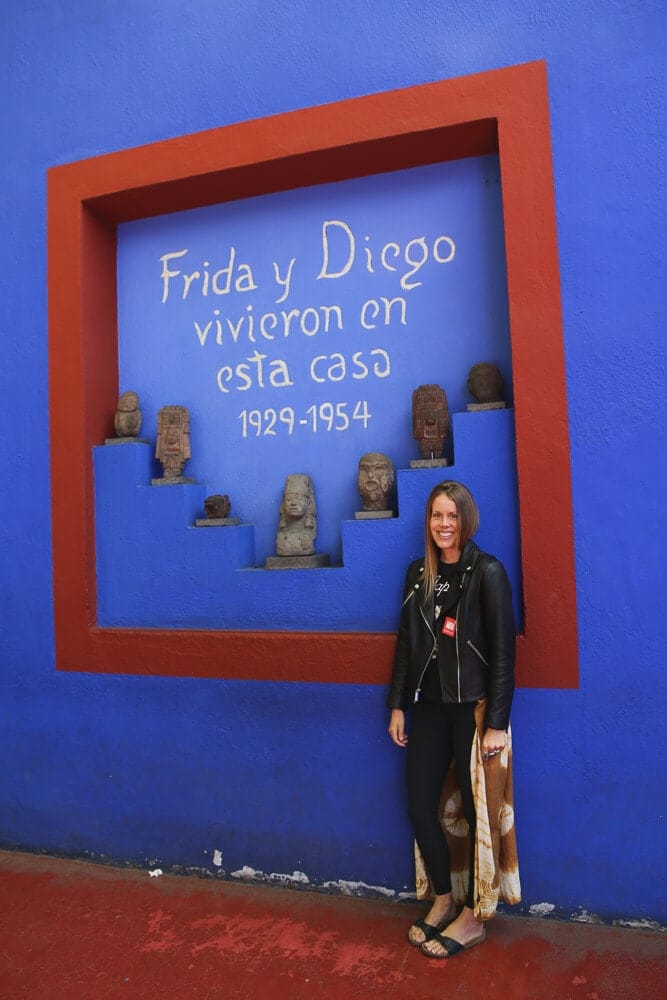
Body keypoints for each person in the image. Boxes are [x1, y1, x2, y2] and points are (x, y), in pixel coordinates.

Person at [387, 480, 516, 959]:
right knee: (420, 806)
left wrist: (496, 722)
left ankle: (474, 918)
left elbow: (503, 653)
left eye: (452, 516)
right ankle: (443, 898)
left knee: (478, 815)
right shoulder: (418, 573)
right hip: (428, 709)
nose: (444, 524)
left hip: (473, 712)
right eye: (437, 515)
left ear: (466, 519)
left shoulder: (487, 572)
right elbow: (406, 644)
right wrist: (398, 705)